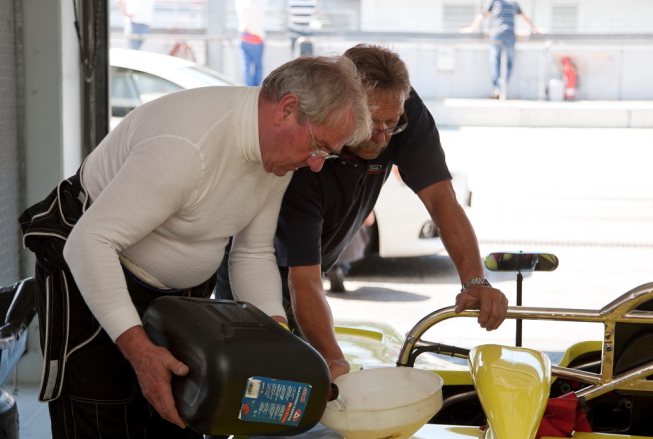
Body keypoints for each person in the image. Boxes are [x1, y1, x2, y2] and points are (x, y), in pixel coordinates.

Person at [19, 55, 370, 439]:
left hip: (177, 297)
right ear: (287, 109)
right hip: (91, 274)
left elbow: (251, 254)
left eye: (326, 154)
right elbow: (89, 243)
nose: (315, 164)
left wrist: (278, 343)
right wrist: (139, 350)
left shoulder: (279, 154)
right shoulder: (187, 146)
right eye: (317, 147)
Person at [217, 44, 508, 381]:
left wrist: (474, 281)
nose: (382, 136)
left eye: (391, 123)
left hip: (316, 264)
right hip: (260, 266)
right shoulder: (308, 159)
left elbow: (441, 199)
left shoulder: (399, 108)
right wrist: (332, 359)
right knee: (263, 378)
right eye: (371, 122)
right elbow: (303, 279)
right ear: (345, 106)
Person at [462, 0, 538, 98]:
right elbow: (524, 17)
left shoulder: (495, 2)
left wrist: (472, 28)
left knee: (495, 62)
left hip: (496, 35)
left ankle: (497, 88)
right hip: (509, 36)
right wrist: (534, 28)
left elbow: (482, 15)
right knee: (508, 64)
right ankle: (500, 87)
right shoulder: (513, 3)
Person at [235, 0, 267, 86]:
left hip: (243, 37)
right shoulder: (259, 4)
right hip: (256, 38)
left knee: (245, 66)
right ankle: (255, 88)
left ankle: (248, 87)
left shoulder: (241, 3)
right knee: (258, 66)